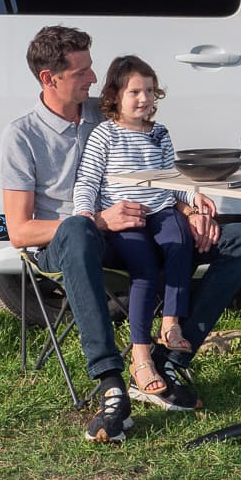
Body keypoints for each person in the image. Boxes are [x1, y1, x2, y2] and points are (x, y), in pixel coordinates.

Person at [0, 26, 241, 444]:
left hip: (134, 234)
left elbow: (154, 178)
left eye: (90, 68)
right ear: (50, 78)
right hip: (67, 245)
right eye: (81, 71)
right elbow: (19, 231)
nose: (92, 77)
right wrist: (100, 220)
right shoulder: (22, 135)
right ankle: (110, 382)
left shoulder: (109, 117)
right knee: (80, 229)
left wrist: (189, 209)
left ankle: (169, 358)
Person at [70, 55, 196, 402]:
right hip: (125, 216)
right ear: (115, 96)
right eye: (135, 92)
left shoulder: (159, 133)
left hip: (160, 207)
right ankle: (140, 354)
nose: (144, 99)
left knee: (179, 239)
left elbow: (175, 178)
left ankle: (170, 322)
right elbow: (87, 181)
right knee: (143, 268)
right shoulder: (104, 135)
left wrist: (195, 200)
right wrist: (85, 213)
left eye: (150, 91)